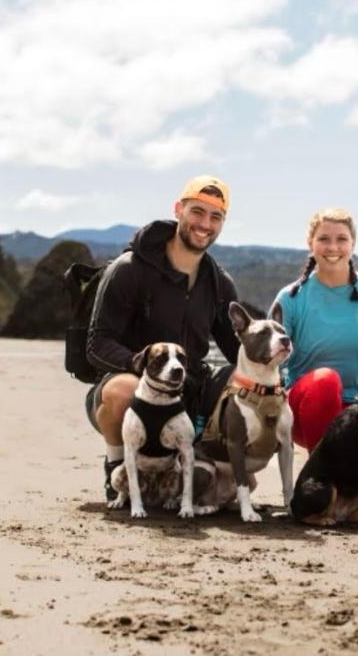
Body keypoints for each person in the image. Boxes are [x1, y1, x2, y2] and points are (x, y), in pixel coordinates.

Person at [85, 175, 239, 499]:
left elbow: (237, 349)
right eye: (197, 212)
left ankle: (213, 470)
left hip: (188, 400)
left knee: (240, 382)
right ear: (178, 209)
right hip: (128, 395)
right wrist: (143, 368)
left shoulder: (219, 284)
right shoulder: (129, 269)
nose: (205, 224)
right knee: (124, 388)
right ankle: (119, 474)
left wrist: (273, 370)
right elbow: (97, 344)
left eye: (216, 217)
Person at [270, 208, 358, 453]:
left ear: (353, 243)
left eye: (341, 239)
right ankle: (322, 473)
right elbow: (269, 361)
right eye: (323, 239)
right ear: (310, 243)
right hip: (304, 409)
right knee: (326, 380)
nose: (333, 247)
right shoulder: (290, 298)